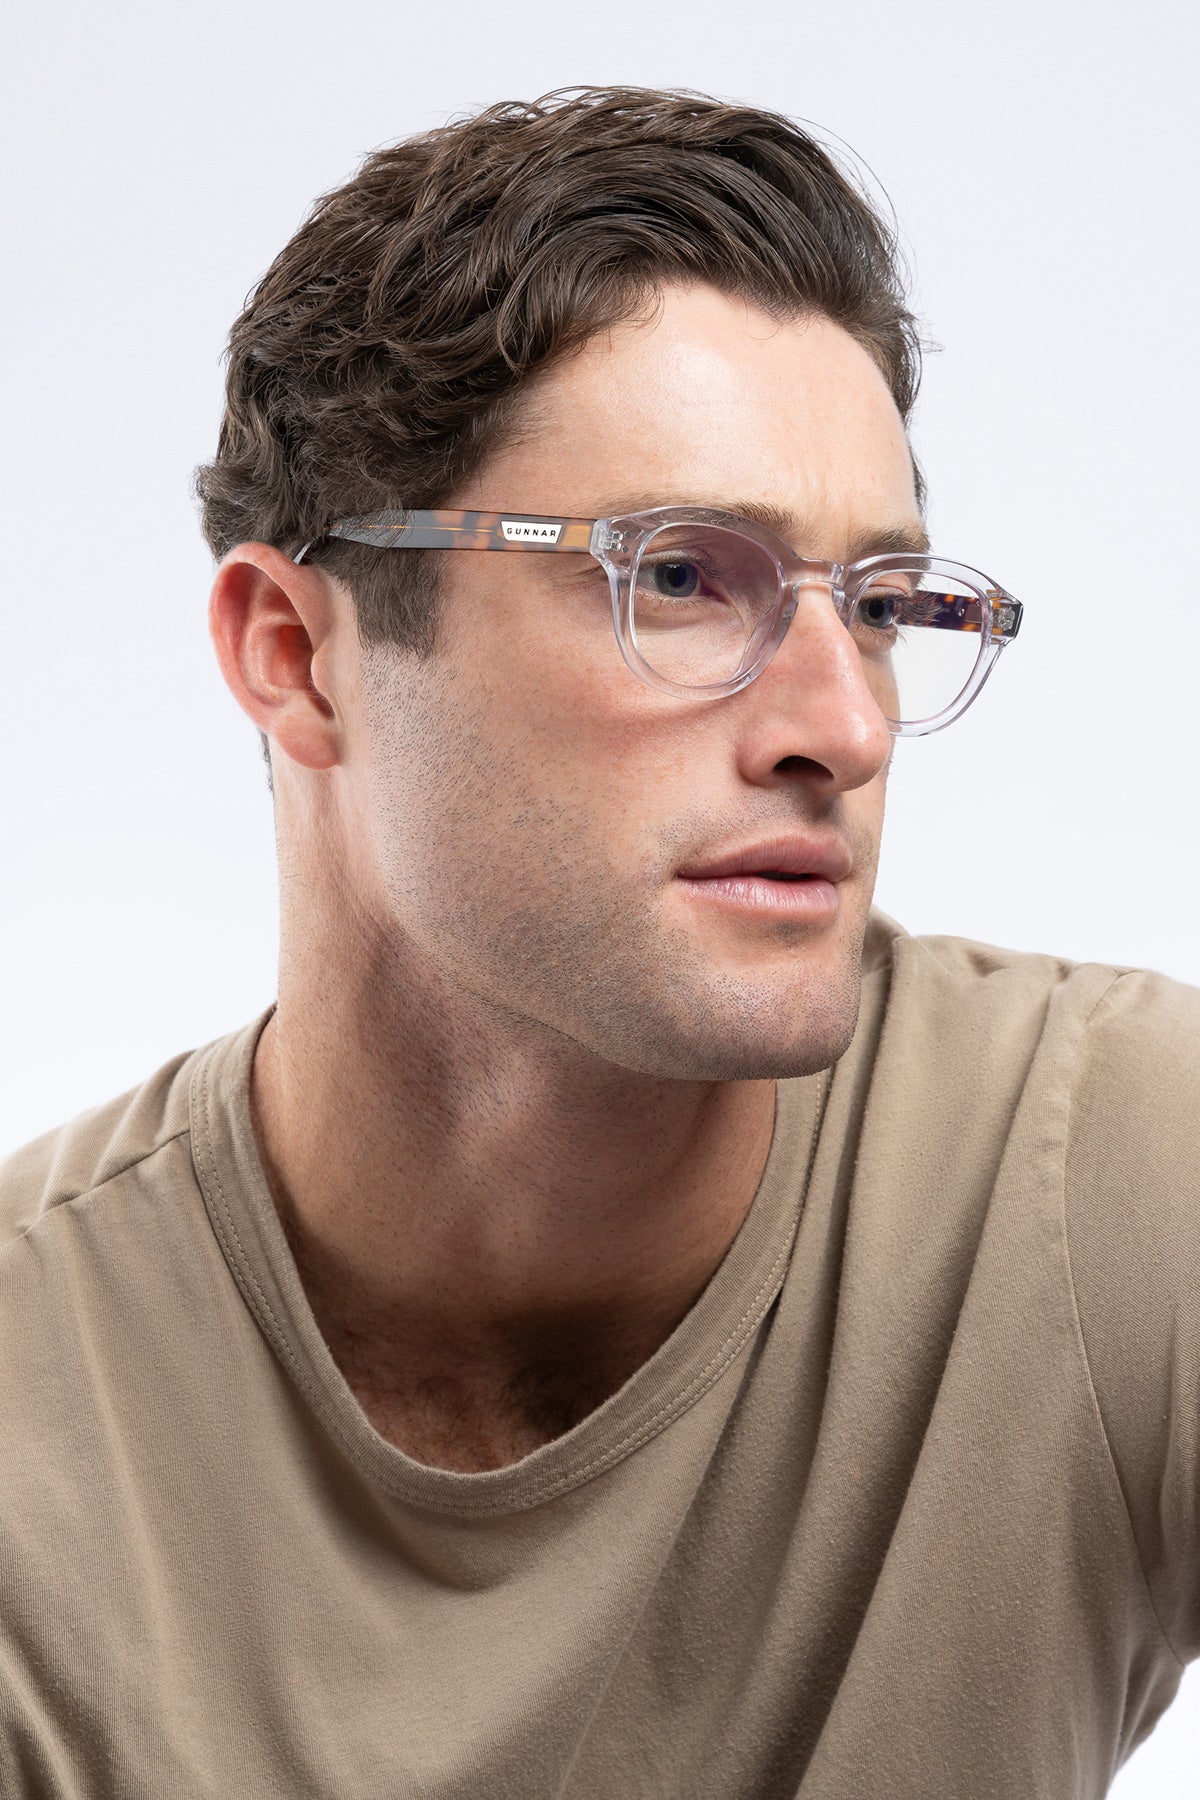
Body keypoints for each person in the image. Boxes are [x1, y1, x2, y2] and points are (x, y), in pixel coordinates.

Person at [1, 85, 1196, 1800]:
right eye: (684, 578)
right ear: (296, 654)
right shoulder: (36, 1408)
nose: (845, 726)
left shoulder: (1107, 1180)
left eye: (879, 606)